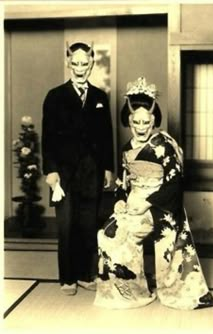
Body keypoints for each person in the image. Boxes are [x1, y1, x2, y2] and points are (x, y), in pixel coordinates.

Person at [94, 77, 213, 310]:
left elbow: (174, 184)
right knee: (108, 233)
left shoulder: (165, 145)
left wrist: (147, 203)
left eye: (146, 122)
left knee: (134, 231)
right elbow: (123, 182)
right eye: (136, 122)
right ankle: (130, 291)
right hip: (134, 203)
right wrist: (120, 200)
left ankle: (170, 290)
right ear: (129, 121)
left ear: (154, 121)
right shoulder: (126, 149)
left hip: (160, 206)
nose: (141, 127)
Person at [41, 42, 114, 295]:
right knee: (67, 225)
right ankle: (67, 278)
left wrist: (107, 168)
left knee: (89, 223)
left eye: (85, 63)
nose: (80, 68)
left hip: (92, 171)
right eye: (76, 63)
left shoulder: (99, 97)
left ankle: (85, 274)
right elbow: (48, 137)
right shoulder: (55, 96)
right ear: (68, 63)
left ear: (92, 63)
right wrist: (50, 170)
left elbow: (106, 136)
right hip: (63, 173)